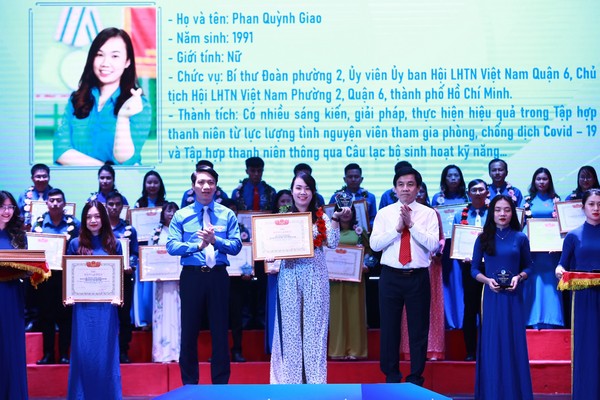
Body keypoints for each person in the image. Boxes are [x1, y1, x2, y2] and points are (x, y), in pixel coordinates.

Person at [167, 165, 242, 385]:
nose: (205, 186)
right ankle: (189, 384)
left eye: (210, 182)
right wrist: (197, 246)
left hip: (218, 276)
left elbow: (236, 245)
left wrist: (215, 241)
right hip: (192, 276)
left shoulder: (227, 214)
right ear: (193, 186)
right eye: (201, 182)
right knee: (189, 331)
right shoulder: (181, 215)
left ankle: (220, 385)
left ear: (216, 186)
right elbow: (171, 246)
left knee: (220, 331)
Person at [270, 172, 347, 384]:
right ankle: (291, 382)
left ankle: (315, 383)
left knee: (315, 330)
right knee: (290, 330)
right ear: (292, 190)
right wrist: (270, 252)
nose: (302, 192)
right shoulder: (283, 215)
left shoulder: (321, 216)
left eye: (307, 188)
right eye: (298, 188)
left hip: (315, 275)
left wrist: (335, 219)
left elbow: (332, 243)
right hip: (289, 275)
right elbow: (272, 242)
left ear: (313, 192)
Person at [369, 167, 439, 386]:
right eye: (401, 184)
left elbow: (433, 245)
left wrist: (412, 225)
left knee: (418, 329)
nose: (405, 189)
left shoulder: (428, 213)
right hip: (390, 277)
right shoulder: (385, 213)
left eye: (410, 184)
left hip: (417, 277)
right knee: (389, 329)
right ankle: (391, 376)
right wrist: (397, 229)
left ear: (418, 188)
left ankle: (416, 377)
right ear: (394, 188)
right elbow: (374, 244)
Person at [53, 27, 151, 166]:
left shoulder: (138, 104)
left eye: (115, 56)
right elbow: (61, 151)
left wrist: (123, 117)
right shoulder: (77, 99)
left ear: (127, 61)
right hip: (78, 179)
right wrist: (106, 172)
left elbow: (125, 161)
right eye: (99, 55)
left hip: (122, 181)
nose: (105, 63)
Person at [470, 195, 533, 400]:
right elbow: (473, 270)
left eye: (507, 210)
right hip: (492, 296)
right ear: (492, 213)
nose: (502, 214)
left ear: (512, 212)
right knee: (493, 344)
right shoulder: (483, 238)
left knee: (514, 343)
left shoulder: (520, 238)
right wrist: (487, 281)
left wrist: (519, 277)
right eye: (498, 210)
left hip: (513, 297)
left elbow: (529, 267)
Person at [66, 201, 123, 399]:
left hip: (107, 308)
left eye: (97, 216)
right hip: (83, 308)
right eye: (89, 216)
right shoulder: (75, 244)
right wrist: (68, 296)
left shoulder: (115, 244)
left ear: (103, 219)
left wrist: (119, 297)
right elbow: (70, 277)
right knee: (84, 353)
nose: (93, 220)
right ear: (84, 219)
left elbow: (119, 278)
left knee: (106, 354)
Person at [555, 189, 600, 400]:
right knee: (586, 345)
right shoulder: (573, 235)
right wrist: (559, 270)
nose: (596, 208)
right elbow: (562, 264)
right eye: (591, 204)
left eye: (599, 204)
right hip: (583, 297)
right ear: (583, 207)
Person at [32, 188, 80, 365]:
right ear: (47, 203)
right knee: (46, 316)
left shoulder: (74, 224)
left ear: (64, 203)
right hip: (45, 277)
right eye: (51, 200)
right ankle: (48, 354)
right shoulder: (39, 224)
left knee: (66, 316)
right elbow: (33, 248)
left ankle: (65, 354)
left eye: (58, 200)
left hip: (66, 277)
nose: (55, 203)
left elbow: (80, 247)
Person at [400, 182, 445, 361]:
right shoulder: (400, 212)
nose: (418, 195)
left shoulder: (432, 213)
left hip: (431, 265)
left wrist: (438, 250)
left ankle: (433, 349)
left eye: (421, 191)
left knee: (431, 307)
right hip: (409, 264)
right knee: (409, 308)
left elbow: (440, 238)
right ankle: (409, 350)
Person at [232, 157, 276, 329]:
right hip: (245, 244)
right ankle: (246, 317)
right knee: (245, 280)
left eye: (259, 171)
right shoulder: (238, 192)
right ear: (247, 171)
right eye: (253, 171)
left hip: (265, 243)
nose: (256, 174)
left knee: (263, 281)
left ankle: (262, 316)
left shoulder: (270, 191)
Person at [522, 168, 563, 328]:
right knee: (533, 283)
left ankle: (552, 321)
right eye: (538, 179)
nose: (541, 182)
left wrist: (556, 244)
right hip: (533, 251)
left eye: (545, 179)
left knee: (550, 284)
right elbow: (521, 224)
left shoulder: (556, 200)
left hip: (551, 252)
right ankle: (533, 321)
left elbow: (561, 225)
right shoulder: (527, 201)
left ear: (549, 181)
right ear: (534, 181)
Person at [328, 204, 370, 360]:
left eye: (349, 210)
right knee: (336, 314)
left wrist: (366, 264)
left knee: (355, 313)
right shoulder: (330, 231)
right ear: (336, 212)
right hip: (334, 280)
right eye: (341, 210)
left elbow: (370, 253)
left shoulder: (359, 231)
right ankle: (337, 350)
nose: (345, 213)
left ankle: (356, 351)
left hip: (355, 279)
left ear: (354, 212)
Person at [452, 179, 488, 360]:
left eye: (481, 190)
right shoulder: (460, 215)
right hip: (469, 268)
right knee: (470, 308)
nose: (478, 193)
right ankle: (471, 351)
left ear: (487, 193)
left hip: (491, 268)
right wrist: (462, 255)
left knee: (489, 310)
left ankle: (489, 349)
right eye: (474, 190)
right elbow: (456, 242)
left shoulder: (495, 213)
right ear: (468, 193)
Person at [0, 191, 29, 399]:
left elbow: (25, 265)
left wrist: (30, 270)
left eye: (10, 207)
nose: (7, 211)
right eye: (2, 207)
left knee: (11, 346)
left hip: (11, 295)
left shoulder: (19, 236)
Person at [434, 165, 469, 330]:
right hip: (446, 249)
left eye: (456, 175)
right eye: (450, 176)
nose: (453, 178)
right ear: (444, 179)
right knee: (447, 285)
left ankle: (464, 320)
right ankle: (449, 321)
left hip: (463, 248)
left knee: (462, 284)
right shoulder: (438, 199)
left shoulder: (467, 197)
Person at [105, 191, 137, 362]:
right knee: (105, 315)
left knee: (124, 316)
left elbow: (135, 253)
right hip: (103, 279)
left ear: (122, 207)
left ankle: (123, 350)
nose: (114, 207)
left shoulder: (129, 230)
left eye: (117, 204)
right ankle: (106, 350)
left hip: (124, 279)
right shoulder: (100, 229)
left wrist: (130, 264)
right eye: (111, 204)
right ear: (106, 206)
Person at [220, 198, 250, 363]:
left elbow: (248, 254)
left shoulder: (243, 230)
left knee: (236, 318)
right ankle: (219, 351)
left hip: (237, 282)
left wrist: (248, 271)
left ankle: (237, 350)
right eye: (228, 210)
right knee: (218, 317)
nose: (232, 213)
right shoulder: (214, 229)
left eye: (234, 210)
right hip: (218, 277)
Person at [150, 202, 181, 363]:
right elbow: (149, 256)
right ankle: (161, 353)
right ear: (163, 213)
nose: (171, 214)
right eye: (168, 210)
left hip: (177, 282)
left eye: (174, 211)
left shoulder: (182, 232)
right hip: (161, 281)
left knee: (176, 315)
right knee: (161, 315)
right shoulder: (156, 233)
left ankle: (176, 352)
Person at [264, 189, 293, 354]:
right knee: (276, 308)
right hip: (274, 271)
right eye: (282, 201)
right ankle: (275, 347)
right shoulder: (269, 224)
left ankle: (292, 347)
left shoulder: (299, 222)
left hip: (294, 270)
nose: (285, 204)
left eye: (289, 201)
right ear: (276, 204)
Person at [18, 163, 53, 228]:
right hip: (28, 231)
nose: (41, 179)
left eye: (44, 176)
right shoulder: (24, 195)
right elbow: (19, 216)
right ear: (32, 178)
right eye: (38, 176)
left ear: (49, 178)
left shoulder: (55, 195)